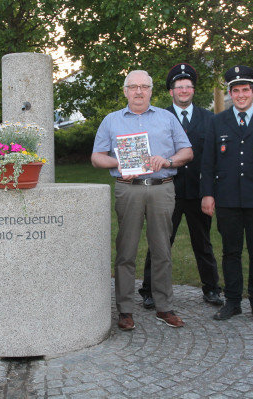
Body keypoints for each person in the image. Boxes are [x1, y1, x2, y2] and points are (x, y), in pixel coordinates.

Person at [92, 70, 193, 330]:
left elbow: (187, 151)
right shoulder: (111, 120)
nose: (139, 91)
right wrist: (121, 163)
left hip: (162, 188)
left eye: (144, 87)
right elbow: (97, 157)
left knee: (162, 249)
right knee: (126, 250)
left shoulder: (167, 118)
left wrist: (169, 161)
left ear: (151, 90)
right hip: (129, 189)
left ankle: (164, 307)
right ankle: (125, 310)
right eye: (133, 87)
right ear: (125, 91)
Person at [201, 65, 253, 323]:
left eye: (245, 90)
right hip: (228, 199)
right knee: (230, 252)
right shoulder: (218, 122)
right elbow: (208, 162)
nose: (241, 95)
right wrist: (207, 194)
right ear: (230, 94)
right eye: (235, 91)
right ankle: (233, 301)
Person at [140, 63, 223, 309]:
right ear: (171, 91)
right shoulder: (157, 117)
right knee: (160, 241)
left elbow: (213, 158)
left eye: (188, 86)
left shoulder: (210, 119)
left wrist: (211, 191)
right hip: (166, 190)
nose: (184, 90)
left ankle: (211, 289)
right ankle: (149, 290)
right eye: (179, 87)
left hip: (199, 191)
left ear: (193, 90)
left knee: (203, 243)